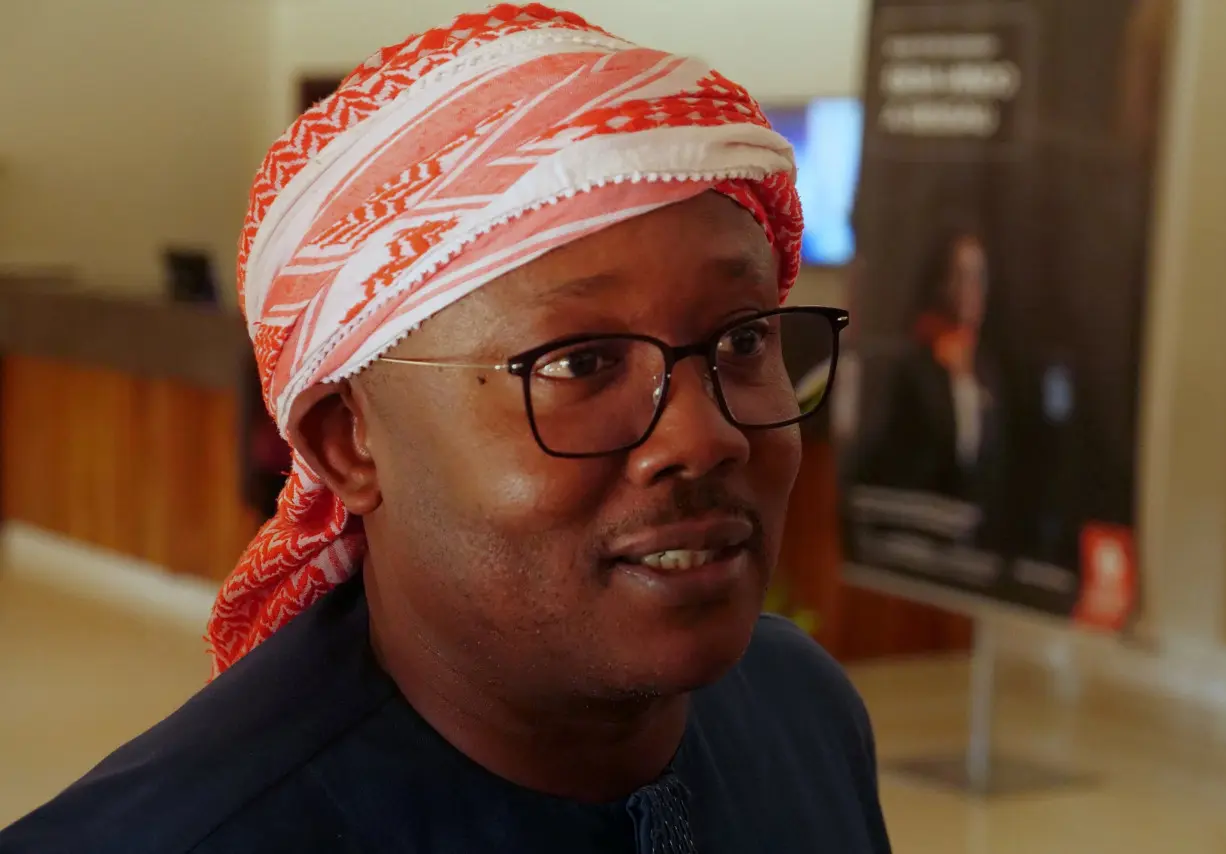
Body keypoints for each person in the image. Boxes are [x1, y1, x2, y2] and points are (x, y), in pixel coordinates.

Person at [0, 6, 891, 853]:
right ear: (349, 441)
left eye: (743, 339)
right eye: (581, 364)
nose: (705, 438)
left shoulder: (803, 710)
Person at [862, 226, 1005, 542]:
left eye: (979, 277)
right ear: (943, 284)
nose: (972, 288)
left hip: (972, 537)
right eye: (962, 276)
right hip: (917, 531)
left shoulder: (985, 371)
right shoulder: (914, 369)